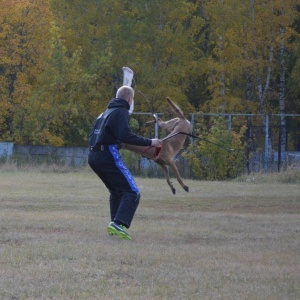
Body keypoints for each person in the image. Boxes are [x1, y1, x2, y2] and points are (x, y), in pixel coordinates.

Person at [88, 85, 161, 240]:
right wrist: (150, 142)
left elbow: (96, 135)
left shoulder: (104, 113)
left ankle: (114, 225)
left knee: (116, 191)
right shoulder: (121, 111)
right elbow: (125, 135)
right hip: (107, 155)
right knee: (132, 192)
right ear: (129, 99)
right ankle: (119, 223)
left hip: (93, 156)